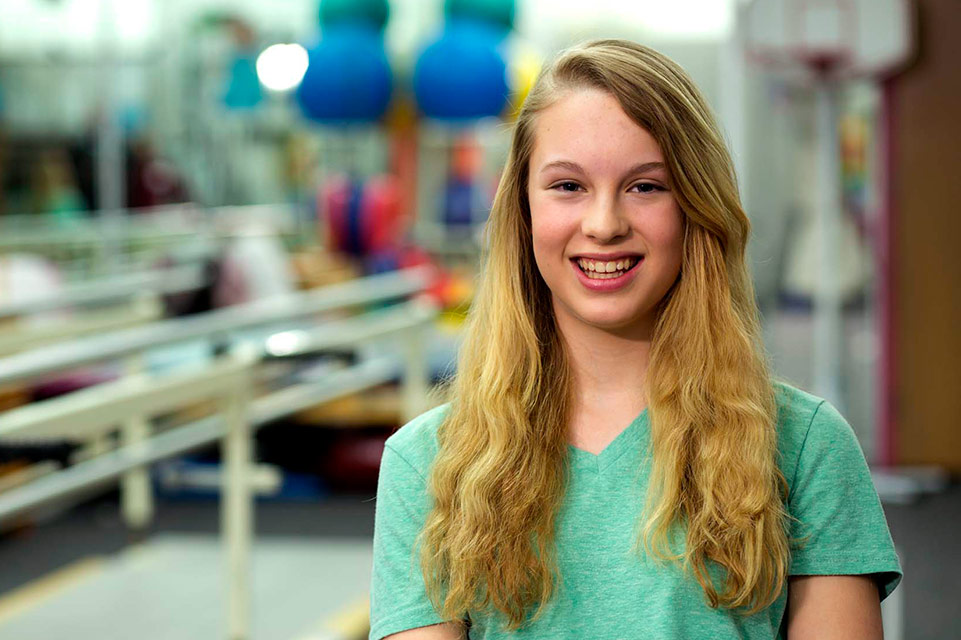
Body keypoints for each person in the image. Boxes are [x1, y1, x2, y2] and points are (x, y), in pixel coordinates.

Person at [369, 39, 902, 640]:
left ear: (695, 207)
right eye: (568, 186)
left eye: (645, 186)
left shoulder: (805, 446)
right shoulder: (428, 463)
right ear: (523, 209)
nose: (603, 225)